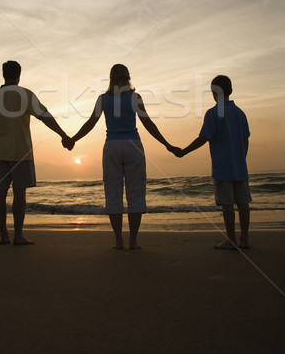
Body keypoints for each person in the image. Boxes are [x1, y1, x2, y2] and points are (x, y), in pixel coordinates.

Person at [63, 64, 180, 250]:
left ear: (110, 79)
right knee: (135, 194)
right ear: (128, 77)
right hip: (133, 144)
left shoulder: (103, 99)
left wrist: (72, 139)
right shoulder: (135, 97)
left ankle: (119, 240)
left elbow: (91, 123)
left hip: (112, 146)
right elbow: (147, 123)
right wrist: (167, 144)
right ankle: (133, 240)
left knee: (113, 194)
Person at [0, 60, 71, 246]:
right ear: (19, 74)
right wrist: (63, 135)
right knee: (19, 194)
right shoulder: (25, 94)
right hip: (21, 152)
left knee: (0, 193)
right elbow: (45, 116)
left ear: (3, 74)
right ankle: (18, 235)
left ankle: (3, 235)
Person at [177, 75, 252, 250]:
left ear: (213, 93)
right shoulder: (240, 113)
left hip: (222, 166)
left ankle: (231, 240)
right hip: (240, 166)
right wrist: (242, 157)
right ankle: (245, 238)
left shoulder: (213, 113)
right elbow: (246, 139)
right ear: (231, 90)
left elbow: (203, 138)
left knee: (227, 203)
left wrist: (183, 152)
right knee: (243, 203)